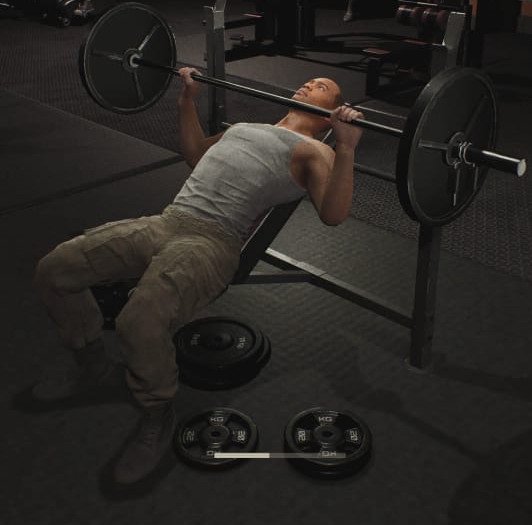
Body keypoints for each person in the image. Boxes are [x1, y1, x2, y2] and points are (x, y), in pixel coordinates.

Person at [31, 68, 363, 485]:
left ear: (331, 112)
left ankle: (157, 414)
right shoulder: (244, 126)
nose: (309, 84)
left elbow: (334, 215)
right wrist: (187, 99)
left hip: (211, 243)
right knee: (55, 271)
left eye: (321, 87)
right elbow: (193, 153)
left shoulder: (314, 150)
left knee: (140, 321)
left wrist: (346, 148)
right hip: (167, 222)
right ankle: (90, 361)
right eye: (309, 80)